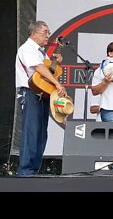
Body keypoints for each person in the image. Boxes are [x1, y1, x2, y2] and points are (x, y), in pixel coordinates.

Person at [15, 20, 67, 176]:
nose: (48, 36)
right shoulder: (27, 48)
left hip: (42, 94)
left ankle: (33, 170)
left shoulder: (40, 51)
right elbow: (38, 68)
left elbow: (46, 70)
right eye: (45, 32)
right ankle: (25, 172)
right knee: (31, 132)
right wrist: (57, 84)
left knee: (41, 134)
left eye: (48, 32)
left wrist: (55, 63)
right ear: (34, 33)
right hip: (30, 93)